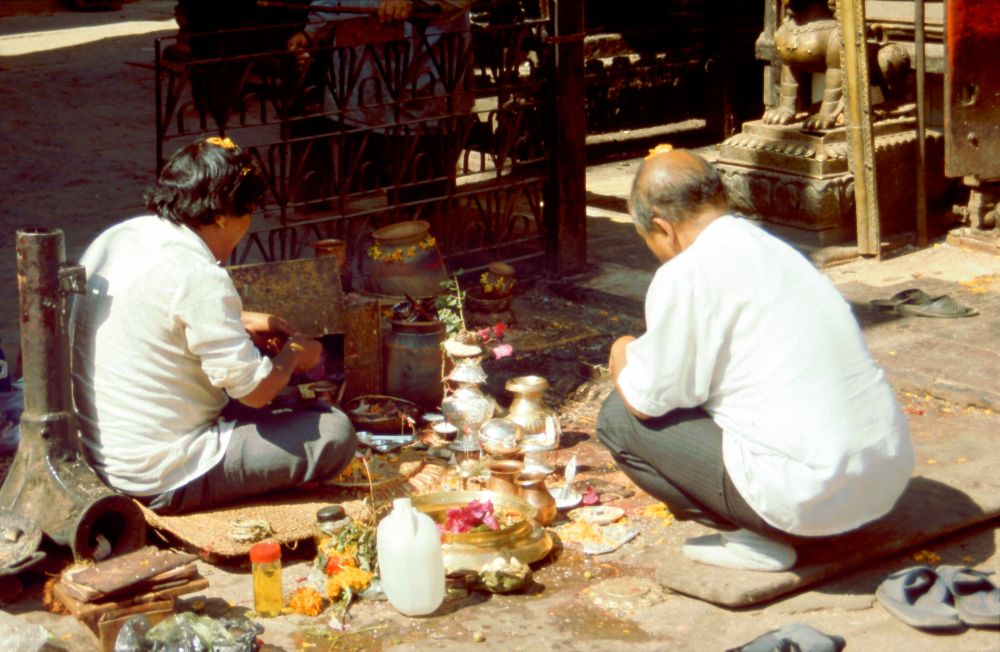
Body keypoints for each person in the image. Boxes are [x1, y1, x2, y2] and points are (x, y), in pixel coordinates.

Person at [596, 146, 915, 571]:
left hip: (808, 497)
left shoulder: (685, 272)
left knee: (618, 417)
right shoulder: (775, 249)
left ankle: (755, 538)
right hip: (882, 481)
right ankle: (799, 523)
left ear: (663, 228)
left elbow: (645, 399)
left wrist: (621, 349)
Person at [70, 136, 356, 515]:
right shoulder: (197, 274)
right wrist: (293, 356)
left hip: (103, 450)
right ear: (222, 215)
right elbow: (256, 393)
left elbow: (157, 310)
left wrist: (237, 320)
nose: (247, 226)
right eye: (248, 212)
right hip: (158, 475)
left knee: (288, 401)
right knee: (334, 433)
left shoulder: (122, 237)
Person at [286, 0, 475, 210]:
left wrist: (413, 3)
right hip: (365, 81)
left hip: (425, 73)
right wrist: (312, 32)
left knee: (421, 199)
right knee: (366, 202)